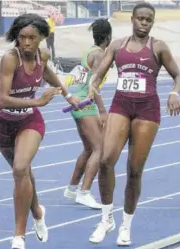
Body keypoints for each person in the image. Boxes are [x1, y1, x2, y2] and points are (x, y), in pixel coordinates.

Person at [88, 2, 180, 246]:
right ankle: (106, 218)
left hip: (147, 110)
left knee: (134, 170)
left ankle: (126, 225)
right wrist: (93, 86)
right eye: (140, 18)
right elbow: (98, 73)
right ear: (132, 19)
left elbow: (178, 76)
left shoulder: (159, 47)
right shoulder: (117, 45)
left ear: (152, 22)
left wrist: (174, 93)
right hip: (121, 105)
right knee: (106, 160)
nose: (144, 23)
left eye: (148, 20)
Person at [0, 13, 80, 249]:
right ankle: (37, 212)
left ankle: (19, 235)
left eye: (32, 38)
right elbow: (0, 100)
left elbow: (49, 75)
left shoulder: (43, 56)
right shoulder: (10, 59)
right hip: (3, 124)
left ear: (42, 37)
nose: (27, 43)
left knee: (20, 168)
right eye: (22, 38)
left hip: (29, 121)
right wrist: (38, 101)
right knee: (24, 174)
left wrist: (68, 95)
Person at [63, 18, 112, 210]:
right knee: (99, 149)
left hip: (78, 102)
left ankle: (72, 188)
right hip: (86, 104)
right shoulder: (99, 54)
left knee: (89, 149)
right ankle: (84, 192)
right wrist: (102, 111)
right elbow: (94, 84)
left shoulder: (89, 51)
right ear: (108, 36)